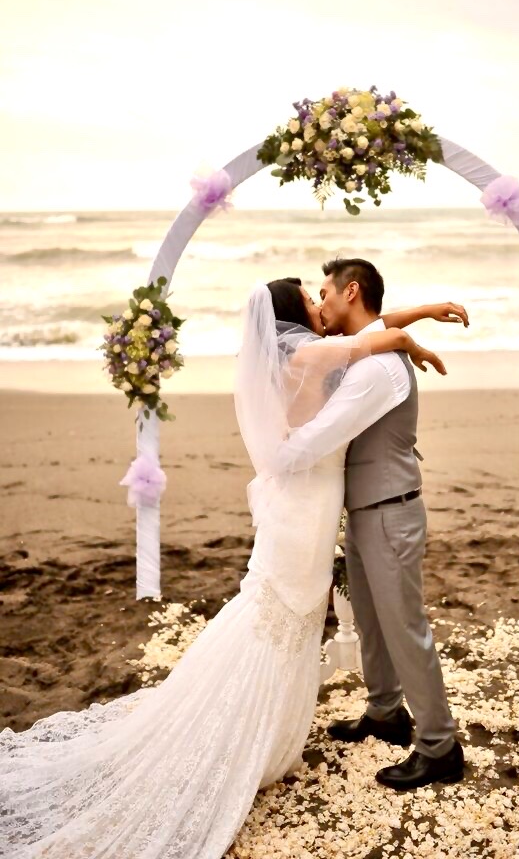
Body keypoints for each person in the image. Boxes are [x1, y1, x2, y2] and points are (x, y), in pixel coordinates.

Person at [0, 277, 465, 858]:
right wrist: (408, 338)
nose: (321, 303)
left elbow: (373, 330)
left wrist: (410, 326)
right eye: (312, 298)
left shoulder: (306, 346)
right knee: (280, 610)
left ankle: (401, 721)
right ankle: (355, 714)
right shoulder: (317, 350)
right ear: (299, 317)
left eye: (325, 294)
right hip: (304, 495)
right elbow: (372, 337)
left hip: (319, 501)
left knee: (303, 613)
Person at [270, 259, 466, 790]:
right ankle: (385, 712)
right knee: (375, 622)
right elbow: (384, 330)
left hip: (389, 510)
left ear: (350, 291)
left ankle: (439, 746)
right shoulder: (368, 350)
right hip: (368, 511)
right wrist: (420, 321)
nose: (321, 303)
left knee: (404, 626)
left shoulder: (374, 370)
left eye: (326, 293)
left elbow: (323, 435)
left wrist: (275, 459)